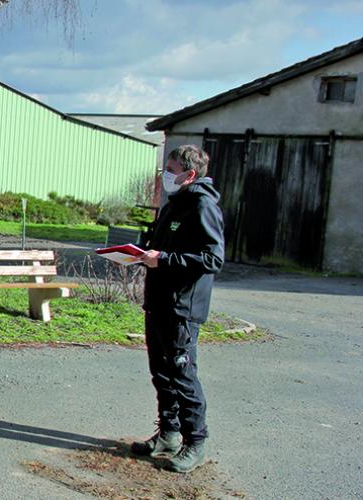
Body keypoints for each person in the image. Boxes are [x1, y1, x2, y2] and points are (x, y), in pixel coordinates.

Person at [130, 144, 224, 473]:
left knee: (183, 376)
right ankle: (168, 433)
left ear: (190, 174)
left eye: (171, 171)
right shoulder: (174, 205)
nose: (165, 176)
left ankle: (194, 442)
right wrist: (141, 252)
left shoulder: (202, 205)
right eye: (165, 170)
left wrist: (164, 259)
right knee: (161, 373)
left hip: (182, 308)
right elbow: (162, 247)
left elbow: (212, 259)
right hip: (158, 302)